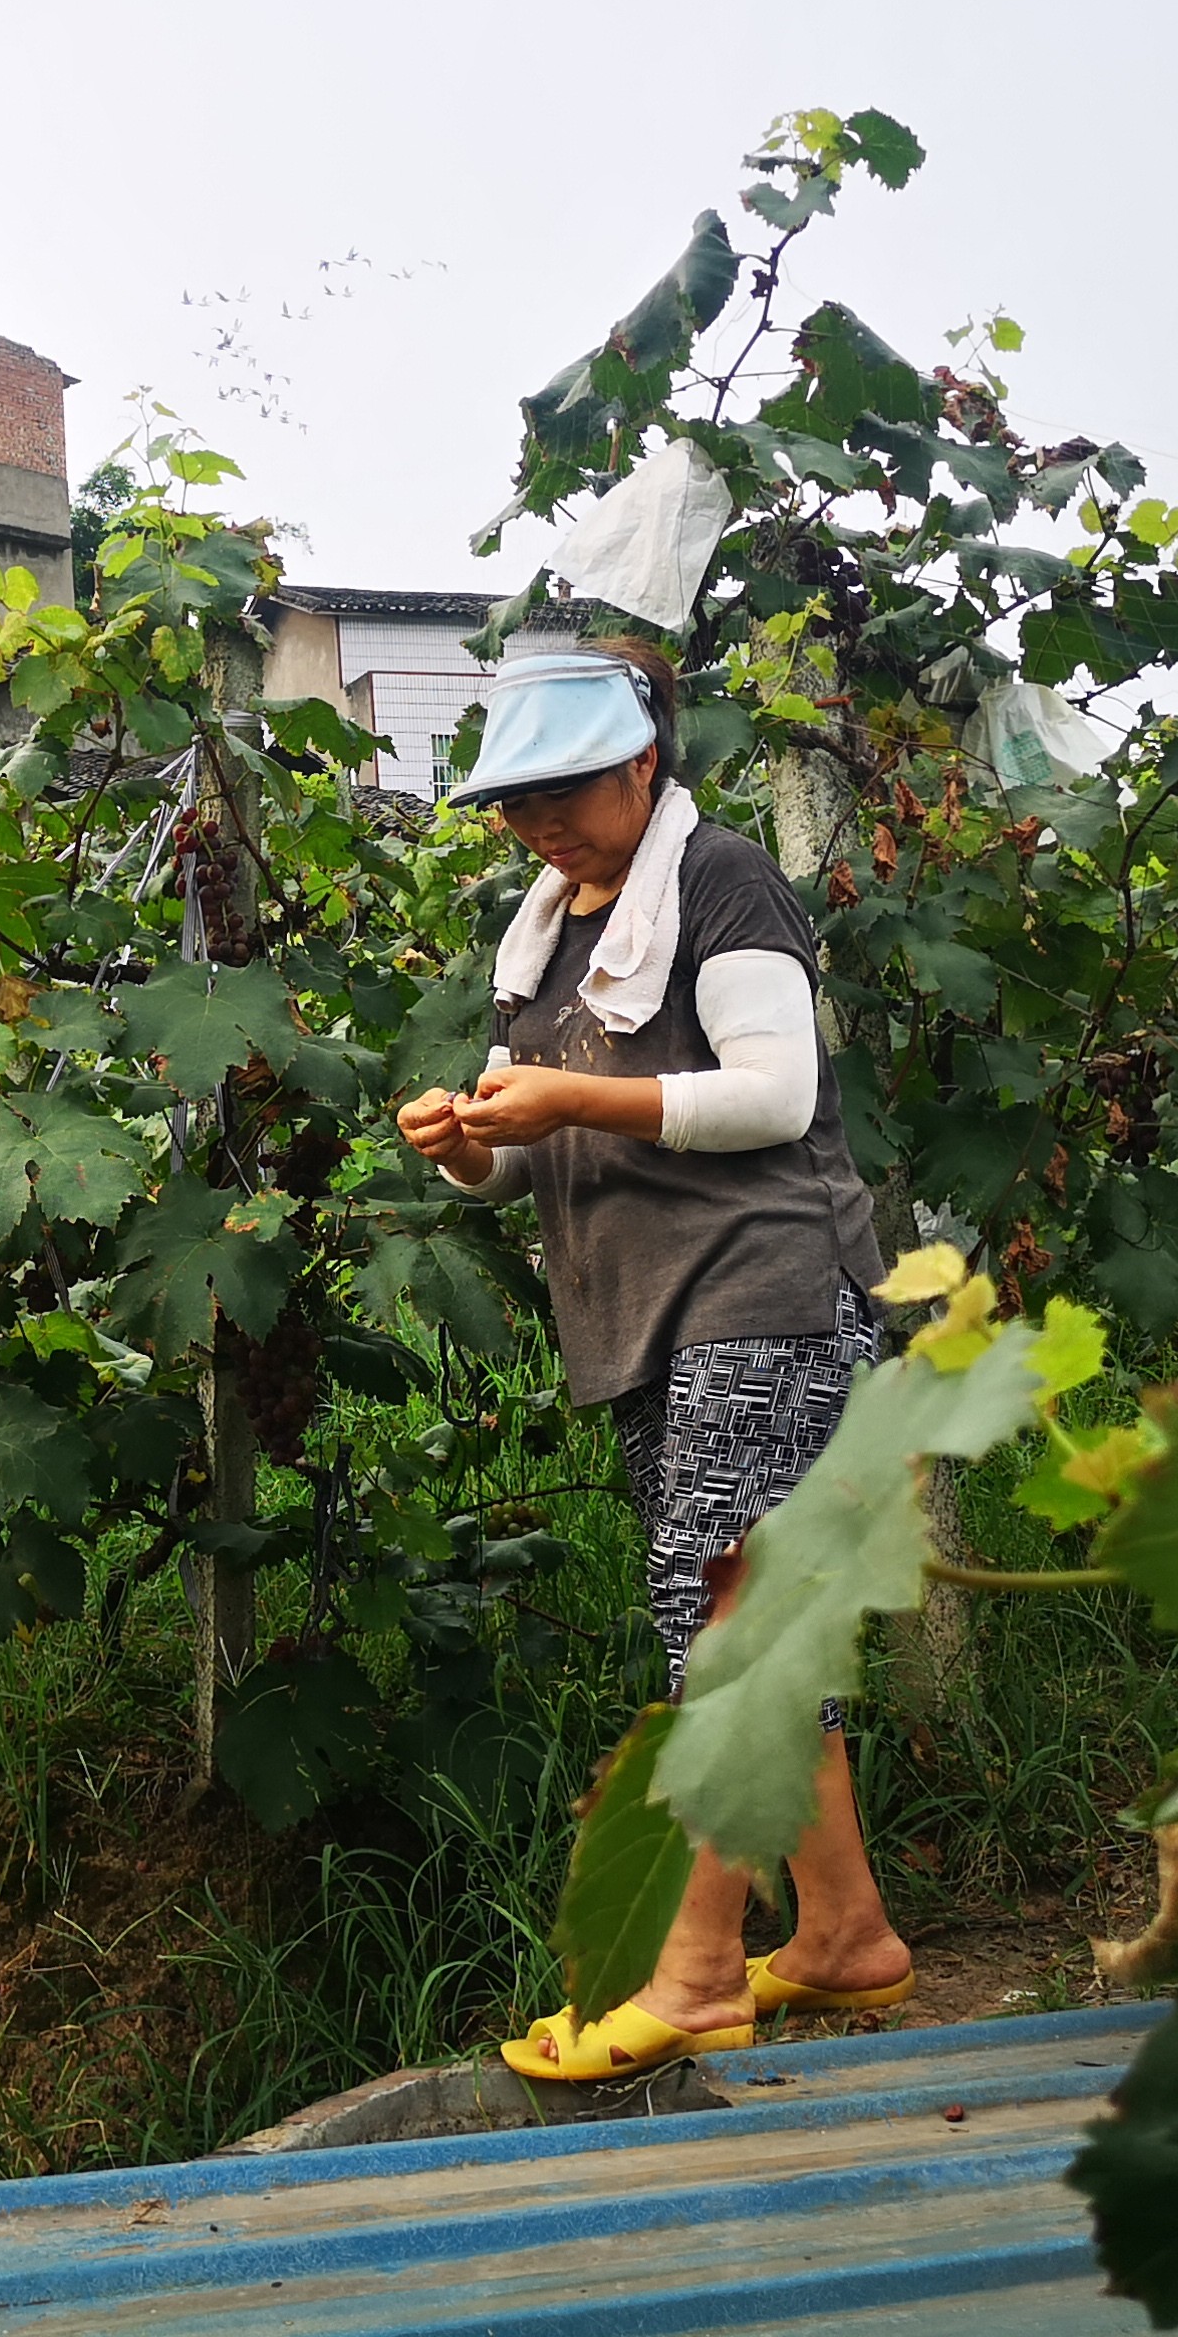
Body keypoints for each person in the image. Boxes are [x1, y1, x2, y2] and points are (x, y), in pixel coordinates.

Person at [396, 646, 912, 2080]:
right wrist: (468, 1149)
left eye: (563, 791)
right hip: (648, 1317)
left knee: (720, 1616)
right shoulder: (547, 935)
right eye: (514, 803)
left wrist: (569, 1093)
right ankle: (843, 1935)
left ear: (642, 767)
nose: (538, 824)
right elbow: (526, 1159)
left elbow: (778, 1094)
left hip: (766, 1291)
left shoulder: (727, 878)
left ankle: (689, 1973)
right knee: (748, 1617)